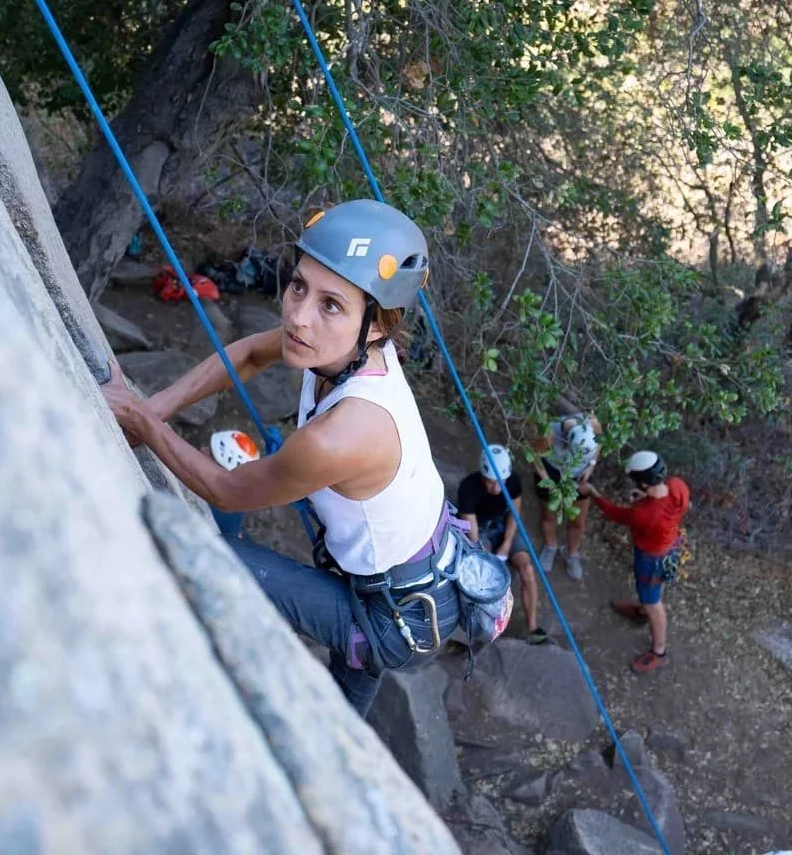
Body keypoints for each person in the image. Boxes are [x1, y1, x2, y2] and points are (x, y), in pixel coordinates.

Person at [100, 199, 461, 715]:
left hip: (392, 618)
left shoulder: (345, 432)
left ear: (378, 325)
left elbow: (230, 490)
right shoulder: (344, 352)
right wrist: (152, 407)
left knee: (196, 552)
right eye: (298, 286)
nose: (298, 315)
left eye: (330, 304)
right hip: (397, 579)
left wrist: (140, 421)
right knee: (341, 720)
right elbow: (249, 353)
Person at [579, 450, 689, 674]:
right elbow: (669, 506)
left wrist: (593, 493)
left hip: (651, 559)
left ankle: (658, 650)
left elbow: (614, 513)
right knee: (647, 593)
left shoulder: (644, 514)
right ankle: (641, 611)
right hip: (671, 546)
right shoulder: (678, 486)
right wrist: (646, 498)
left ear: (644, 483)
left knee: (654, 604)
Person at [455, 445, 548, 645]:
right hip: (481, 530)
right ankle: (483, 627)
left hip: (503, 524)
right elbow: (473, 537)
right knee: (482, 578)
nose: (496, 488)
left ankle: (533, 628)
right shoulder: (468, 489)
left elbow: (514, 514)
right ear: (482, 476)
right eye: (490, 483)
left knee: (527, 569)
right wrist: (488, 558)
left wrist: (506, 543)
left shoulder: (512, 480)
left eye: (500, 483)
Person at [532, 412, 601, 580]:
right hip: (551, 471)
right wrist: (549, 483)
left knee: (578, 520)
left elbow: (600, 442)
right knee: (549, 514)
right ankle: (550, 546)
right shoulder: (550, 433)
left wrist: (591, 464)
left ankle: (572, 553)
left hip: (579, 475)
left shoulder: (593, 423)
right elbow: (535, 458)